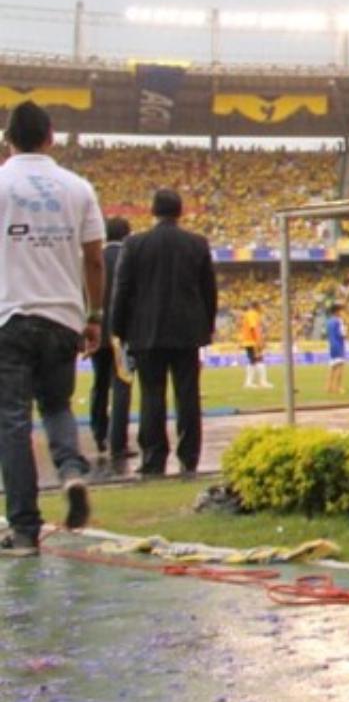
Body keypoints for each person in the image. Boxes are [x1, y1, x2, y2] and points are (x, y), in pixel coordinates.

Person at [0, 102, 102, 554]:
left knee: (13, 422)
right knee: (57, 405)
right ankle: (71, 470)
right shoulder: (77, 187)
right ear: (51, 137)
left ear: (8, 140)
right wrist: (95, 315)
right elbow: (95, 258)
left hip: (11, 316)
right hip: (63, 316)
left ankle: (24, 529)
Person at [111, 188, 217, 477]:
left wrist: (118, 329)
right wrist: (206, 327)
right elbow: (209, 291)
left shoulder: (135, 244)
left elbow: (122, 291)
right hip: (187, 332)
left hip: (147, 332)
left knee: (151, 395)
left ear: (152, 212)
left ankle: (154, 458)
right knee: (188, 395)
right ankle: (189, 456)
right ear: (180, 212)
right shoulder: (197, 243)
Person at [88, 215, 134, 473]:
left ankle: (99, 433)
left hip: (98, 330)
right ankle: (118, 442)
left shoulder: (96, 258)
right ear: (127, 235)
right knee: (122, 386)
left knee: (99, 384)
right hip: (121, 334)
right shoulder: (128, 258)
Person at [237, 301, 271, 390]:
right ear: (256, 306)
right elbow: (254, 328)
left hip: (249, 341)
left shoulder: (248, 314)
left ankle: (250, 382)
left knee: (253, 361)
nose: (262, 308)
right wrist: (259, 341)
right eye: (261, 306)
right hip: (252, 341)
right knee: (258, 360)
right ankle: (261, 382)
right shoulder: (252, 314)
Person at [324, 303, 348, 395]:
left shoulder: (328, 321)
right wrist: (346, 333)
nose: (342, 312)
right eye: (341, 310)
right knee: (340, 367)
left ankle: (328, 387)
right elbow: (342, 333)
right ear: (337, 311)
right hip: (338, 344)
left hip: (331, 345)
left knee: (332, 367)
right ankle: (338, 388)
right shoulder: (339, 321)